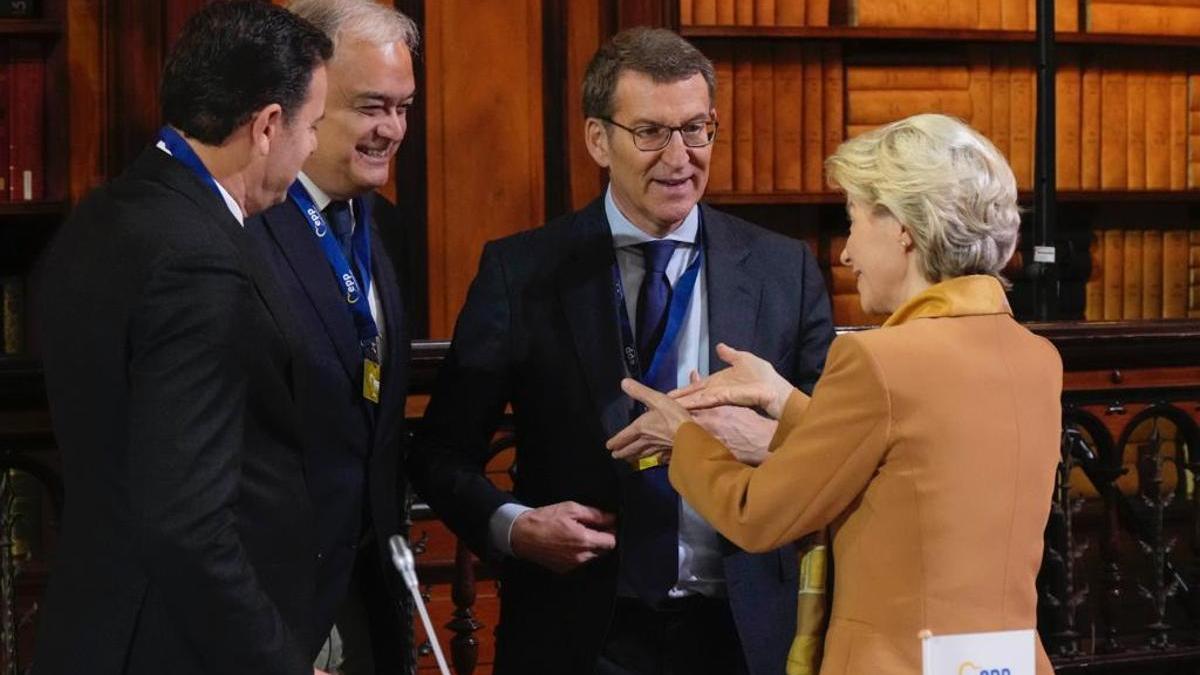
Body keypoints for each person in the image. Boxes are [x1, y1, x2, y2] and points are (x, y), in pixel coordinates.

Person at [408, 27, 834, 675]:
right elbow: (440, 452)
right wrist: (515, 526)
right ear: (597, 140)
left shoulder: (784, 270)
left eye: (697, 129)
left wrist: (760, 436)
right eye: (651, 133)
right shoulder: (521, 272)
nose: (679, 156)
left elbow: (832, 450)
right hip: (577, 631)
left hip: (742, 631)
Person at [610, 113, 1062, 674]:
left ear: (901, 226)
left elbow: (759, 515)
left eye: (853, 221)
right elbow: (908, 459)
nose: (846, 254)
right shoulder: (1037, 358)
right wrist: (784, 399)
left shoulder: (880, 361)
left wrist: (685, 435)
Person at [33, 3, 332, 674]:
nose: (312, 149)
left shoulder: (102, 214)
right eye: (313, 126)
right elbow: (187, 521)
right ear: (268, 126)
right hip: (176, 646)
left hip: (95, 626)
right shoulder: (199, 260)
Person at [247, 0, 418, 672]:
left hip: (367, 593)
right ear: (306, 97)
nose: (392, 129)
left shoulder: (387, 227)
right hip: (275, 606)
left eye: (404, 108)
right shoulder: (244, 230)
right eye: (372, 106)